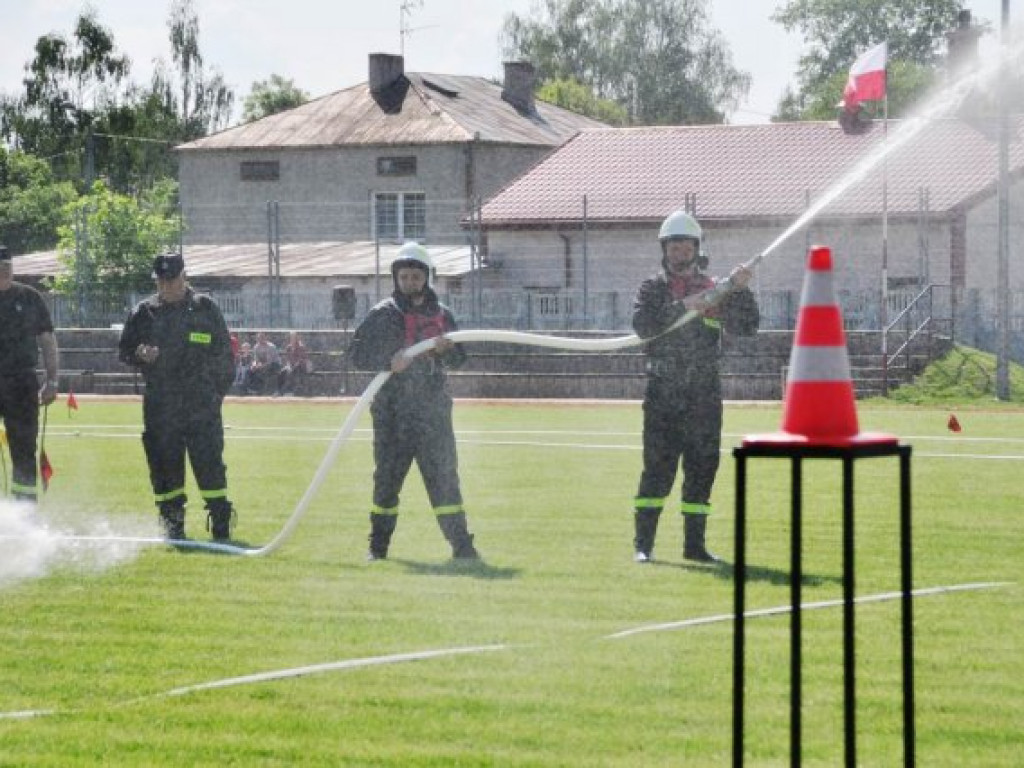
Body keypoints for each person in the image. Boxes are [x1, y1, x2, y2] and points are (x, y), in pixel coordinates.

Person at [631, 211, 759, 564]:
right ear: (664, 249)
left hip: (703, 392)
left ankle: (695, 546)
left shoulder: (717, 289)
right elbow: (643, 325)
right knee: (658, 468)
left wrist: (741, 290)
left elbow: (748, 326)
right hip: (663, 391)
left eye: (686, 246)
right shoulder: (652, 288)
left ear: (696, 248)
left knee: (703, 466)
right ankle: (643, 545)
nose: (680, 252)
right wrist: (684, 307)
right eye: (674, 246)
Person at [349, 241, 479, 561]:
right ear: (396, 278)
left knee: (444, 479)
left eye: (416, 277)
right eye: (404, 277)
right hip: (392, 414)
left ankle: (462, 547)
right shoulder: (383, 315)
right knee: (387, 481)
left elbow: (460, 359)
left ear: (427, 278)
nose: (409, 283)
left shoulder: (442, 315)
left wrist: (446, 351)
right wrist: (387, 362)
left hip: (433, 413)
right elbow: (355, 354)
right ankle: (377, 548)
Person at [118, 251, 237, 541]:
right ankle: (172, 522)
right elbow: (124, 350)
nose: (166, 286)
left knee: (209, 462)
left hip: (200, 402)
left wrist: (215, 396)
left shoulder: (205, 309)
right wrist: (140, 353)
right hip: (161, 403)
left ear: (184, 276)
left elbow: (225, 356)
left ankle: (220, 519)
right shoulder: (144, 312)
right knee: (164, 463)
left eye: (171, 280)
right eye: (160, 281)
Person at [0, 244, 59, 504]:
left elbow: (47, 339)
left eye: (7, 266)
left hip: (21, 382)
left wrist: (52, 380)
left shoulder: (29, 297)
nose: (3, 271)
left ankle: (24, 513)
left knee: (24, 449)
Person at [278, 331, 313, 396]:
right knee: (282, 372)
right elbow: (287, 358)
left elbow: (303, 359)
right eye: (292, 337)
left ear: (297, 338)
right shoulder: (288, 347)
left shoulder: (301, 347)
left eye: (294, 337)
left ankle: (290, 391)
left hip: (301, 366)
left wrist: (295, 364)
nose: (293, 339)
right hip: (291, 365)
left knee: (293, 371)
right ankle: (279, 390)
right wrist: (289, 365)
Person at [247, 331, 281, 395]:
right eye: (259, 338)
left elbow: (269, 361)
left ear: (265, 338)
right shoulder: (256, 347)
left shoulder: (271, 347)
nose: (260, 339)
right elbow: (256, 359)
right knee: (250, 370)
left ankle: (272, 390)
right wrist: (254, 365)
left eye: (262, 337)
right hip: (263, 364)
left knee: (264, 369)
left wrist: (260, 366)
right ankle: (253, 389)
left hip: (274, 364)